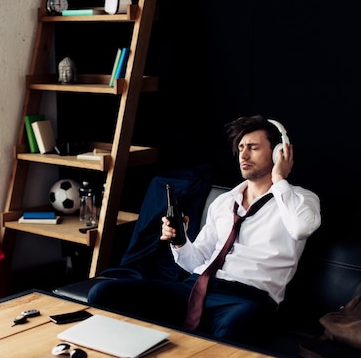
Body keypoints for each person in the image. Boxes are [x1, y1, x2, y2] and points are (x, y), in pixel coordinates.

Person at [87, 115, 321, 344]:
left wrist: (280, 178)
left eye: (253, 147)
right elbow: (195, 260)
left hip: (245, 299)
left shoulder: (300, 199)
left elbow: (302, 228)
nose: (244, 155)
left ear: (279, 152)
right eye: (240, 148)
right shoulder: (223, 202)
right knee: (103, 293)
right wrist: (179, 241)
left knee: (233, 330)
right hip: (193, 288)